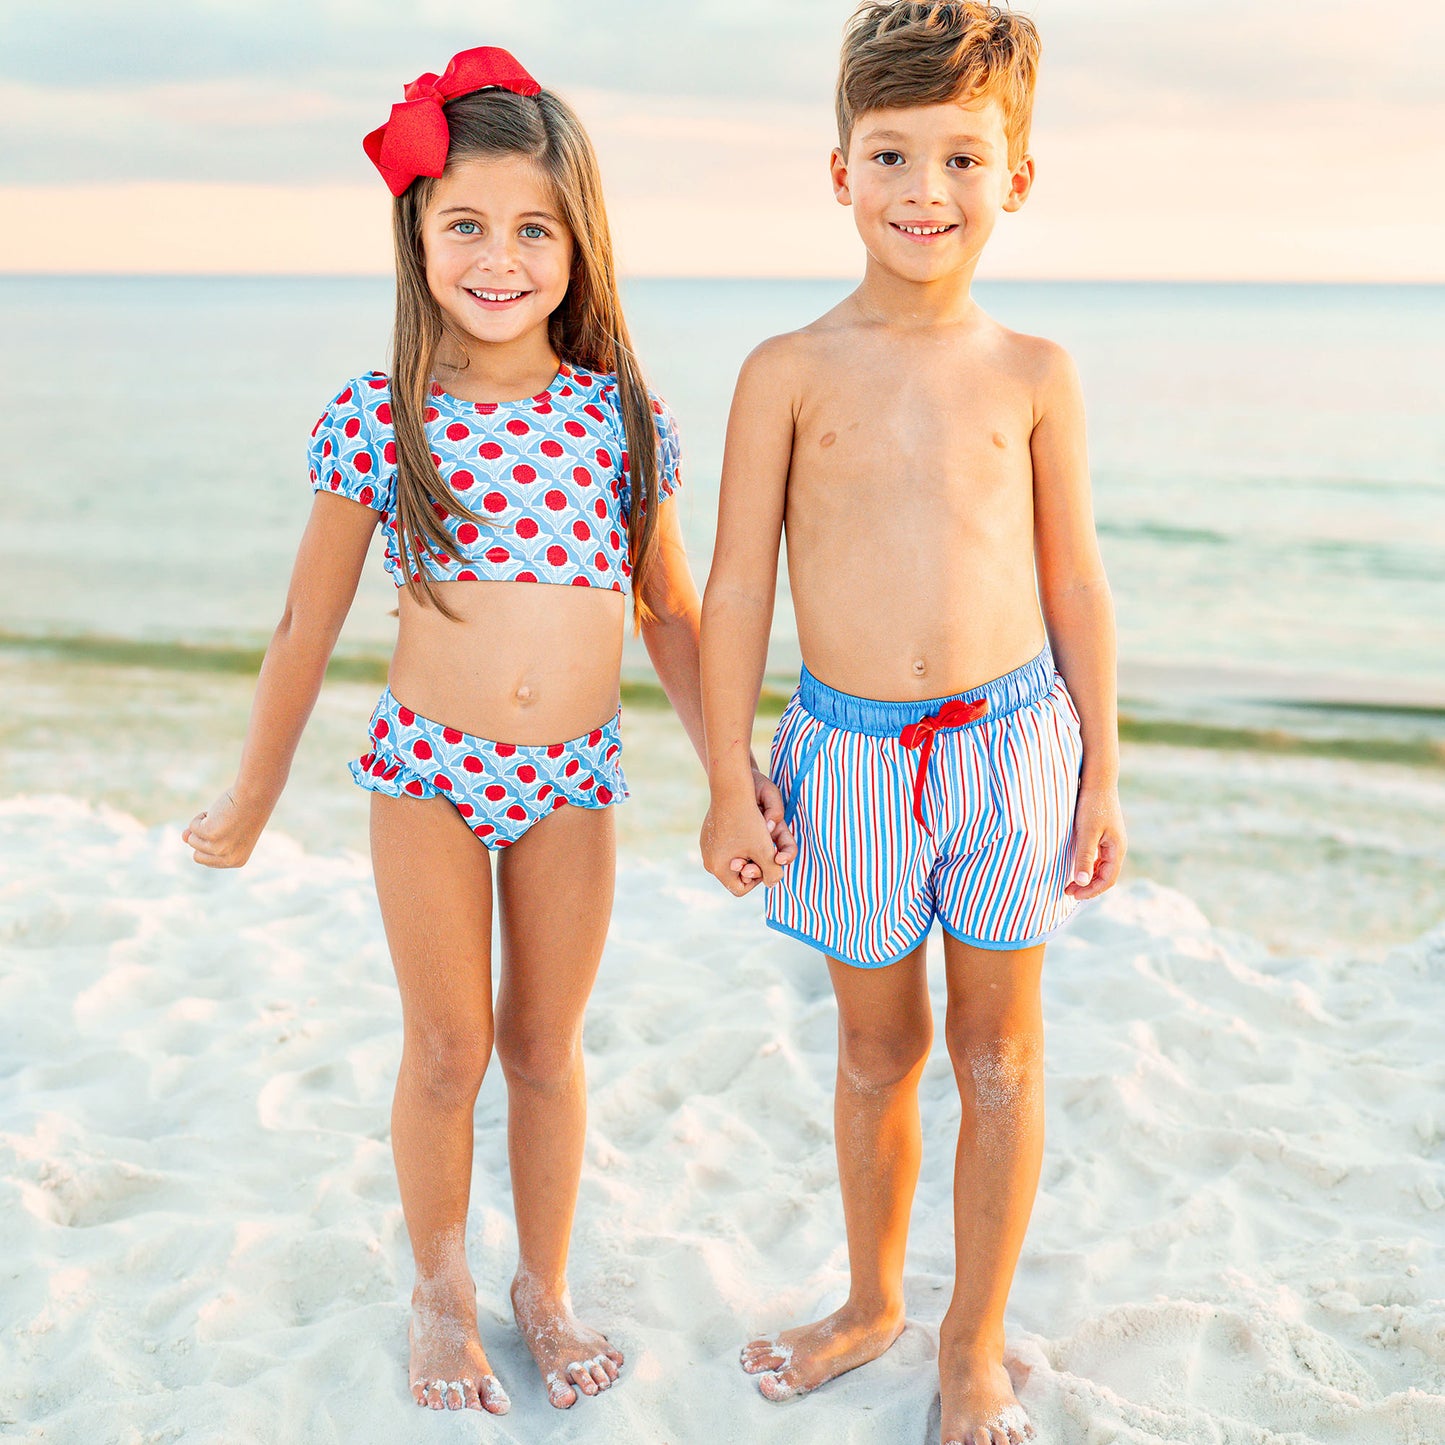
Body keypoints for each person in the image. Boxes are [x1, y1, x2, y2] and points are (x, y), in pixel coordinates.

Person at [183, 46, 789, 1416]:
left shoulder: (622, 418)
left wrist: (731, 782)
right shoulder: (381, 415)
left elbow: (675, 620)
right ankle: (443, 1290)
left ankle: (545, 1283)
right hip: (428, 776)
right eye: (465, 224)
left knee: (543, 1048)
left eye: (532, 229)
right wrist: (251, 794)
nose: (498, 256)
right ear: (417, 234)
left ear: (579, 245)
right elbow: (303, 627)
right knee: (447, 1048)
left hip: (574, 778)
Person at [698, 5, 1127, 1442]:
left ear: (1017, 176)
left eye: (959, 156)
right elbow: (735, 585)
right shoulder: (786, 371)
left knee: (999, 1052)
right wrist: (722, 774)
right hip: (845, 762)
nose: (922, 190)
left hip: (1011, 749)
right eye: (889, 155)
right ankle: (874, 1297)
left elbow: (1074, 580)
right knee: (877, 1053)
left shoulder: (1033, 374)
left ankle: (972, 1336)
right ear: (837, 173)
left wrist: (1101, 774)